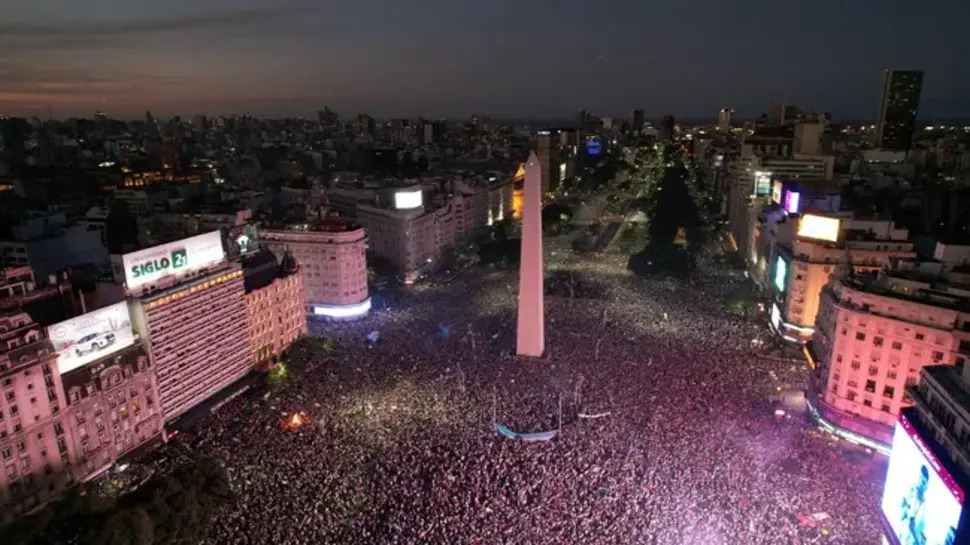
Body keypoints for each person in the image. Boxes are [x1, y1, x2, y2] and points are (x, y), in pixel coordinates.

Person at [900, 465, 929, 545]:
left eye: (924, 482)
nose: (921, 484)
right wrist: (904, 509)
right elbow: (902, 506)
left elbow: (920, 536)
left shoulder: (924, 508)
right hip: (901, 534)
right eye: (921, 480)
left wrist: (914, 531)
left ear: (926, 485)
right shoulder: (911, 490)